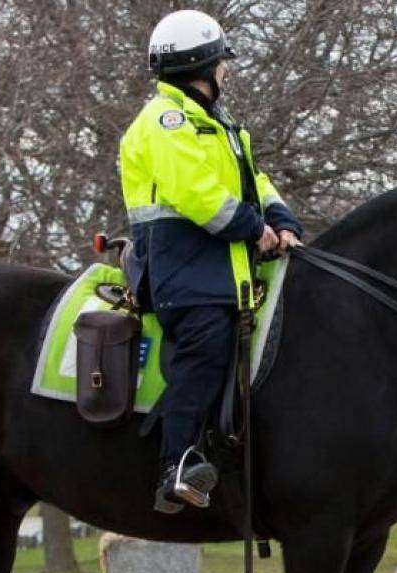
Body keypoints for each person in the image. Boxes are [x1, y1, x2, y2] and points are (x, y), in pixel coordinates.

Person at [120, 10, 303, 513]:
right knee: (206, 341)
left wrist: (282, 218)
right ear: (202, 67)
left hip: (221, 270)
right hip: (184, 270)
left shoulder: (220, 126)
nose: (226, 72)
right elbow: (196, 193)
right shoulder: (165, 123)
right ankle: (176, 464)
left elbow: (253, 182)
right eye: (223, 63)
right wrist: (254, 229)